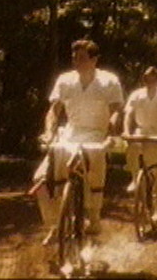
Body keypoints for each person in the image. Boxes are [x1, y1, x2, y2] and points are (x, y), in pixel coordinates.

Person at [33, 39, 124, 243]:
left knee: (94, 170)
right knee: (40, 180)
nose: (76, 62)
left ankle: (94, 218)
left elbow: (116, 111)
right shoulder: (65, 80)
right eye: (74, 58)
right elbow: (54, 111)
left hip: (96, 135)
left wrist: (111, 132)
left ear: (94, 60)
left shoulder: (109, 81)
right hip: (69, 136)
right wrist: (48, 132)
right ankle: (56, 224)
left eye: (82, 58)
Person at [123, 66, 157, 224]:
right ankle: (135, 179)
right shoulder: (136, 95)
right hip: (142, 132)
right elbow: (129, 114)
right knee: (132, 148)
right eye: (146, 79)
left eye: (153, 78)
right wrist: (127, 131)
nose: (149, 81)